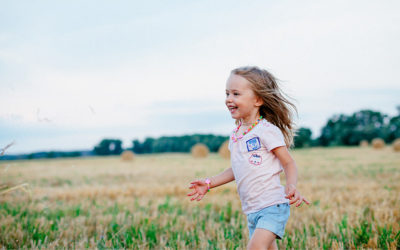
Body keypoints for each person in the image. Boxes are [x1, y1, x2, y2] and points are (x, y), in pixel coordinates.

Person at [187, 66, 310, 250]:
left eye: (236, 94)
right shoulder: (236, 134)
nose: (229, 99)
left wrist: (291, 185)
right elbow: (236, 168)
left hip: (272, 206)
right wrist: (209, 182)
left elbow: (288, 162)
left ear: (258, 99)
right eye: (227, 93)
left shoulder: (267, 131)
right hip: (252, 210)